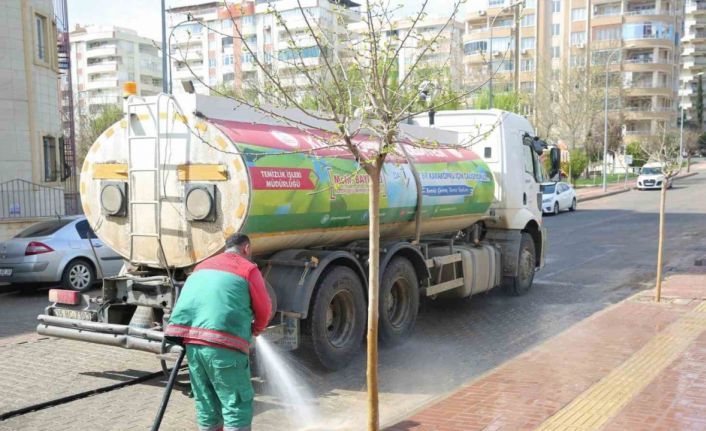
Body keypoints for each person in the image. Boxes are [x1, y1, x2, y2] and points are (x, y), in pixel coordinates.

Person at [165, 233, 271, 431]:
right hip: (224, 346)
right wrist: (255, 330)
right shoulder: (248, 269)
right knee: (236, 405)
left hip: (193, 345)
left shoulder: (201, 266)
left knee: (206, 404)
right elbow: (264, 309)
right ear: (246, 248)